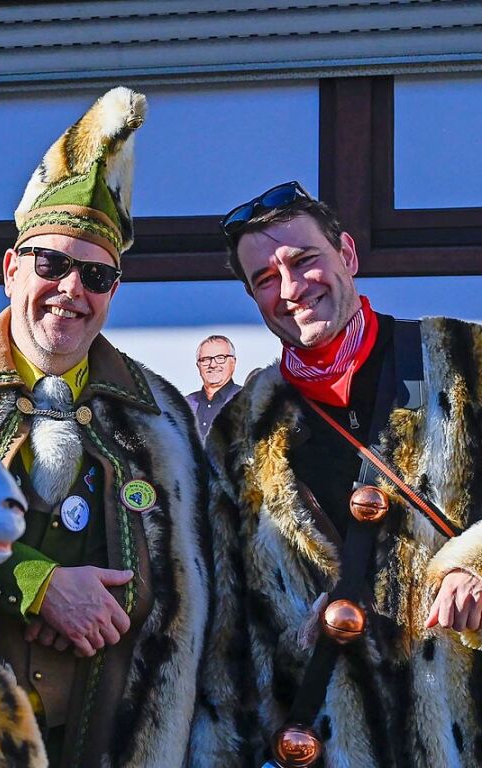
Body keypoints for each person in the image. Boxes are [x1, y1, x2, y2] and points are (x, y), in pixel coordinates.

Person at [0, 87, 209, 768]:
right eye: (51, 263)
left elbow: (191, 604)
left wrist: (111, 606)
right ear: (10, 268)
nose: (71, 290)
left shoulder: (159, 416)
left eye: (98, 276)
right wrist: (36, 586)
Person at [190, 181, 482, 768]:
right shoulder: (237, 431)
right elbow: (227, 644)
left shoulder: (465, 360)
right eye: (265, 280)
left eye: (303, 261)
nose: (291, 290)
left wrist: (476, 558)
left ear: (346, 255)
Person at [186, 335, 242, 441]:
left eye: (220, 358)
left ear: (233, 362)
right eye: (205, 359)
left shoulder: (247, 400)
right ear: (198, 365)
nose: (212, 364)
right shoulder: (186, 405)